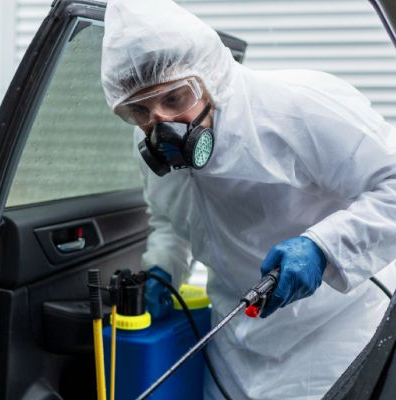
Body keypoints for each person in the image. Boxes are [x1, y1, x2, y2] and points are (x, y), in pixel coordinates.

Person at [100, 0, 396, 399]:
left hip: (333, 332)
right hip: (234, 337)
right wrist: (163, 269)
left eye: (174, 98)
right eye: (138, 109)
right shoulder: (151, 144)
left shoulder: (298, 107)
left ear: (210, 78)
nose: (161, 126)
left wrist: (323, 247)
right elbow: (171, 220)